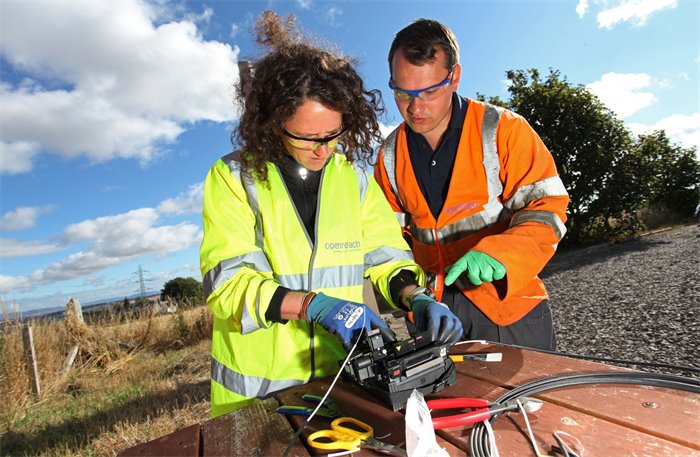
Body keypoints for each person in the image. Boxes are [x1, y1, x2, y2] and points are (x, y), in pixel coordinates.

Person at [199, 11, 462, 418]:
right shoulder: (233, 178)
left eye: (333, 135)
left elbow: (386, 255)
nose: (324, 150)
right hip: (253, 401)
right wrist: (315, 306)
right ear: (273, 123)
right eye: (308, 137)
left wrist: (417, 296)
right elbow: (230, 284)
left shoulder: (353, 179)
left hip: (337, 383)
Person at [374, 19, 570, 351]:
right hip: (433, 316)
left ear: (455, 77)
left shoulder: (504, 130)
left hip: (507, 307)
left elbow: (548, 209)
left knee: (530, 402)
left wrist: (499, 254)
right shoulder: (389, 157)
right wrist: (412, 295)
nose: (415, 107)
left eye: (430, 91)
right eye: (403, 92)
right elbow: (385, 241)